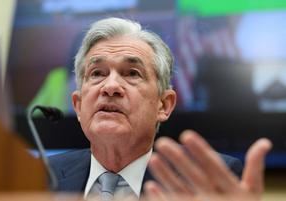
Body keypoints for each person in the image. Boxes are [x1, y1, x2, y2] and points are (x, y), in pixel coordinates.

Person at [49, 17, 271, 200]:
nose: (111, 87)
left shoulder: (205, 183)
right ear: (78, 105)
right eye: (97, 73)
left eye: (132, 73)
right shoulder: (40, 174)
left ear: (164, 105)